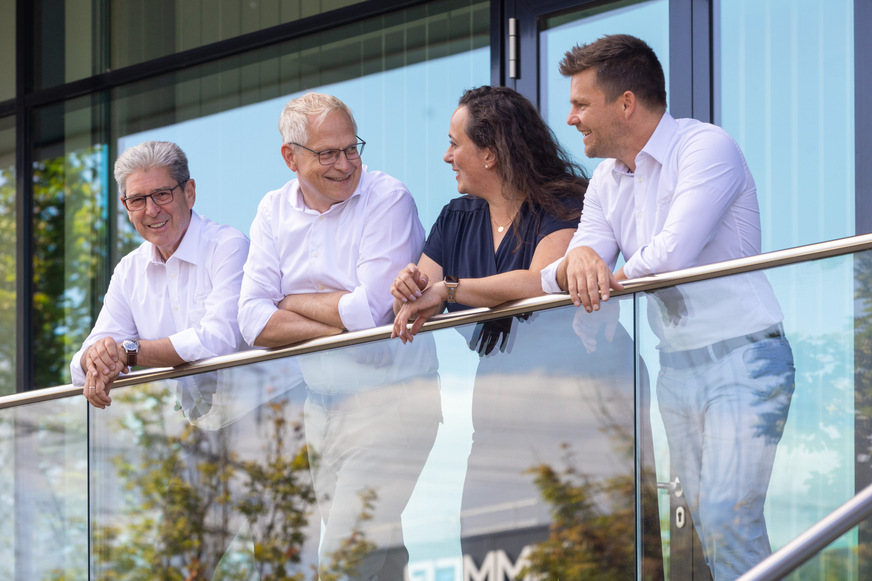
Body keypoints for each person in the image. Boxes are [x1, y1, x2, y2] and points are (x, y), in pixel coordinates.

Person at [541, 34, 795, 580]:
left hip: (743, 360)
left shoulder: (705, 147)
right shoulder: (607, 180)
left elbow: (672, 254)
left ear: (625, 102)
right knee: (709, 524)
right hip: (676, 370)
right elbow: (579, 256)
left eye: (581, 104)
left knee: (730, 517)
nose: (571, 118)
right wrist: (578, 265)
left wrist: (599, 278)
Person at [391, 86, 657, 578]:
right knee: (490, 556)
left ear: (489, 154)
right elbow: (421, 291)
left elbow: (538, 283)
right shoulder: (456, 217)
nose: (446, 155)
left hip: (586, 403)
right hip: (501, 409)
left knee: (596, 556)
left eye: (456, 143)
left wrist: (449, 289)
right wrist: (408, 287)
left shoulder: (565, 202)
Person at [237, 92, 440, 579]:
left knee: (342, 563)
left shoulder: (387, 197)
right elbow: (250, 321)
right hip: (322, 411)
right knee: (381, 561)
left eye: (352, 148)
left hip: (392, 402)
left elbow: (370, 313)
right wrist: (335, 313)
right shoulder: (271, 210)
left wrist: (288, 300)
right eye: (328, 153)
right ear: (291, 156)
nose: (346, 164)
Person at [71, 140, 250, 409]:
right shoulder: (128, 271)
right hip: (192, 433)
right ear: (126, 206)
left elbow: (220, 339)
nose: (152, 210)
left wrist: (129, 352)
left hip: (266, 418)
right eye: (137, 200)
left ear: (189, 193)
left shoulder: (228, 246)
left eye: (162, 194)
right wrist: (96, 358)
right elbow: (87, 355)